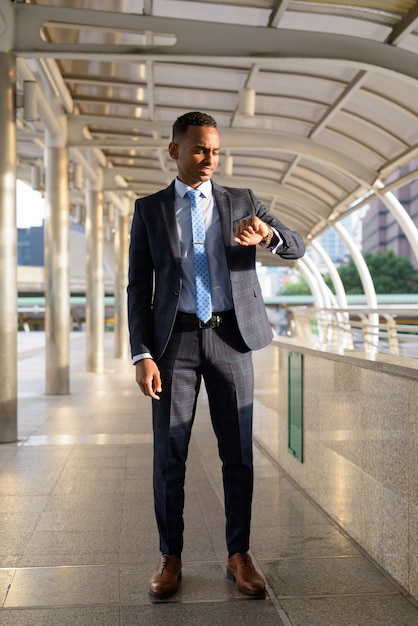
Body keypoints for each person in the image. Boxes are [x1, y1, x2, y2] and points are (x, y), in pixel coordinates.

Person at [127, 111, 305, 600]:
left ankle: (239, 555)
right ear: (175, 151)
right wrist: (141, 353)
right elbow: (137, 287)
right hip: (174, 344)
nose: (210, 159)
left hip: (232, 339)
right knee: (170, 455)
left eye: (216, 151)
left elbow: (297, 246)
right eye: (201, 149)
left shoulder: (241, 202)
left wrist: (268, 237)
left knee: (238, 455)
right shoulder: (149, 210)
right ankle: (170, 557)